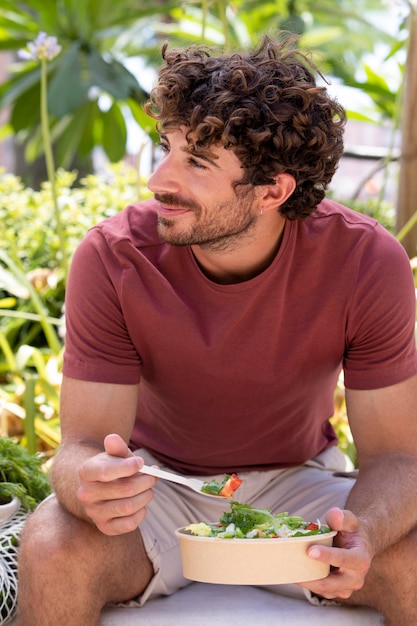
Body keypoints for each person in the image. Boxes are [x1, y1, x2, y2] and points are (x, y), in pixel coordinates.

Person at [17, 33, 417, 626]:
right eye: (166, 148)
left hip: (301, 483)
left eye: (196, 162)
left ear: (273, 191)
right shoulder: (113, 256)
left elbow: (398, 457)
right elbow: (80, 448)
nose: (158, 179)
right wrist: (90, 483)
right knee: (51, 544)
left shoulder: (364, 260)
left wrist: (365, 534)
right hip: (157, 485)